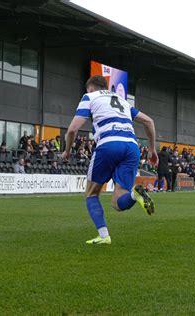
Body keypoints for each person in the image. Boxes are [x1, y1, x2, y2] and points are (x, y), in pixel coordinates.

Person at [62, 75, 157, 245]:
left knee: (91, 193)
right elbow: (149, 121)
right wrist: (151, 149)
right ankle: (135, 195)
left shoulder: (89, 97)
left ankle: (104, 236)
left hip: (108, 144)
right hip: (131, 147)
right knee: (118, 202)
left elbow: (72, 130)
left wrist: (67, 151)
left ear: (90, 88)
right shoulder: (122, 100)